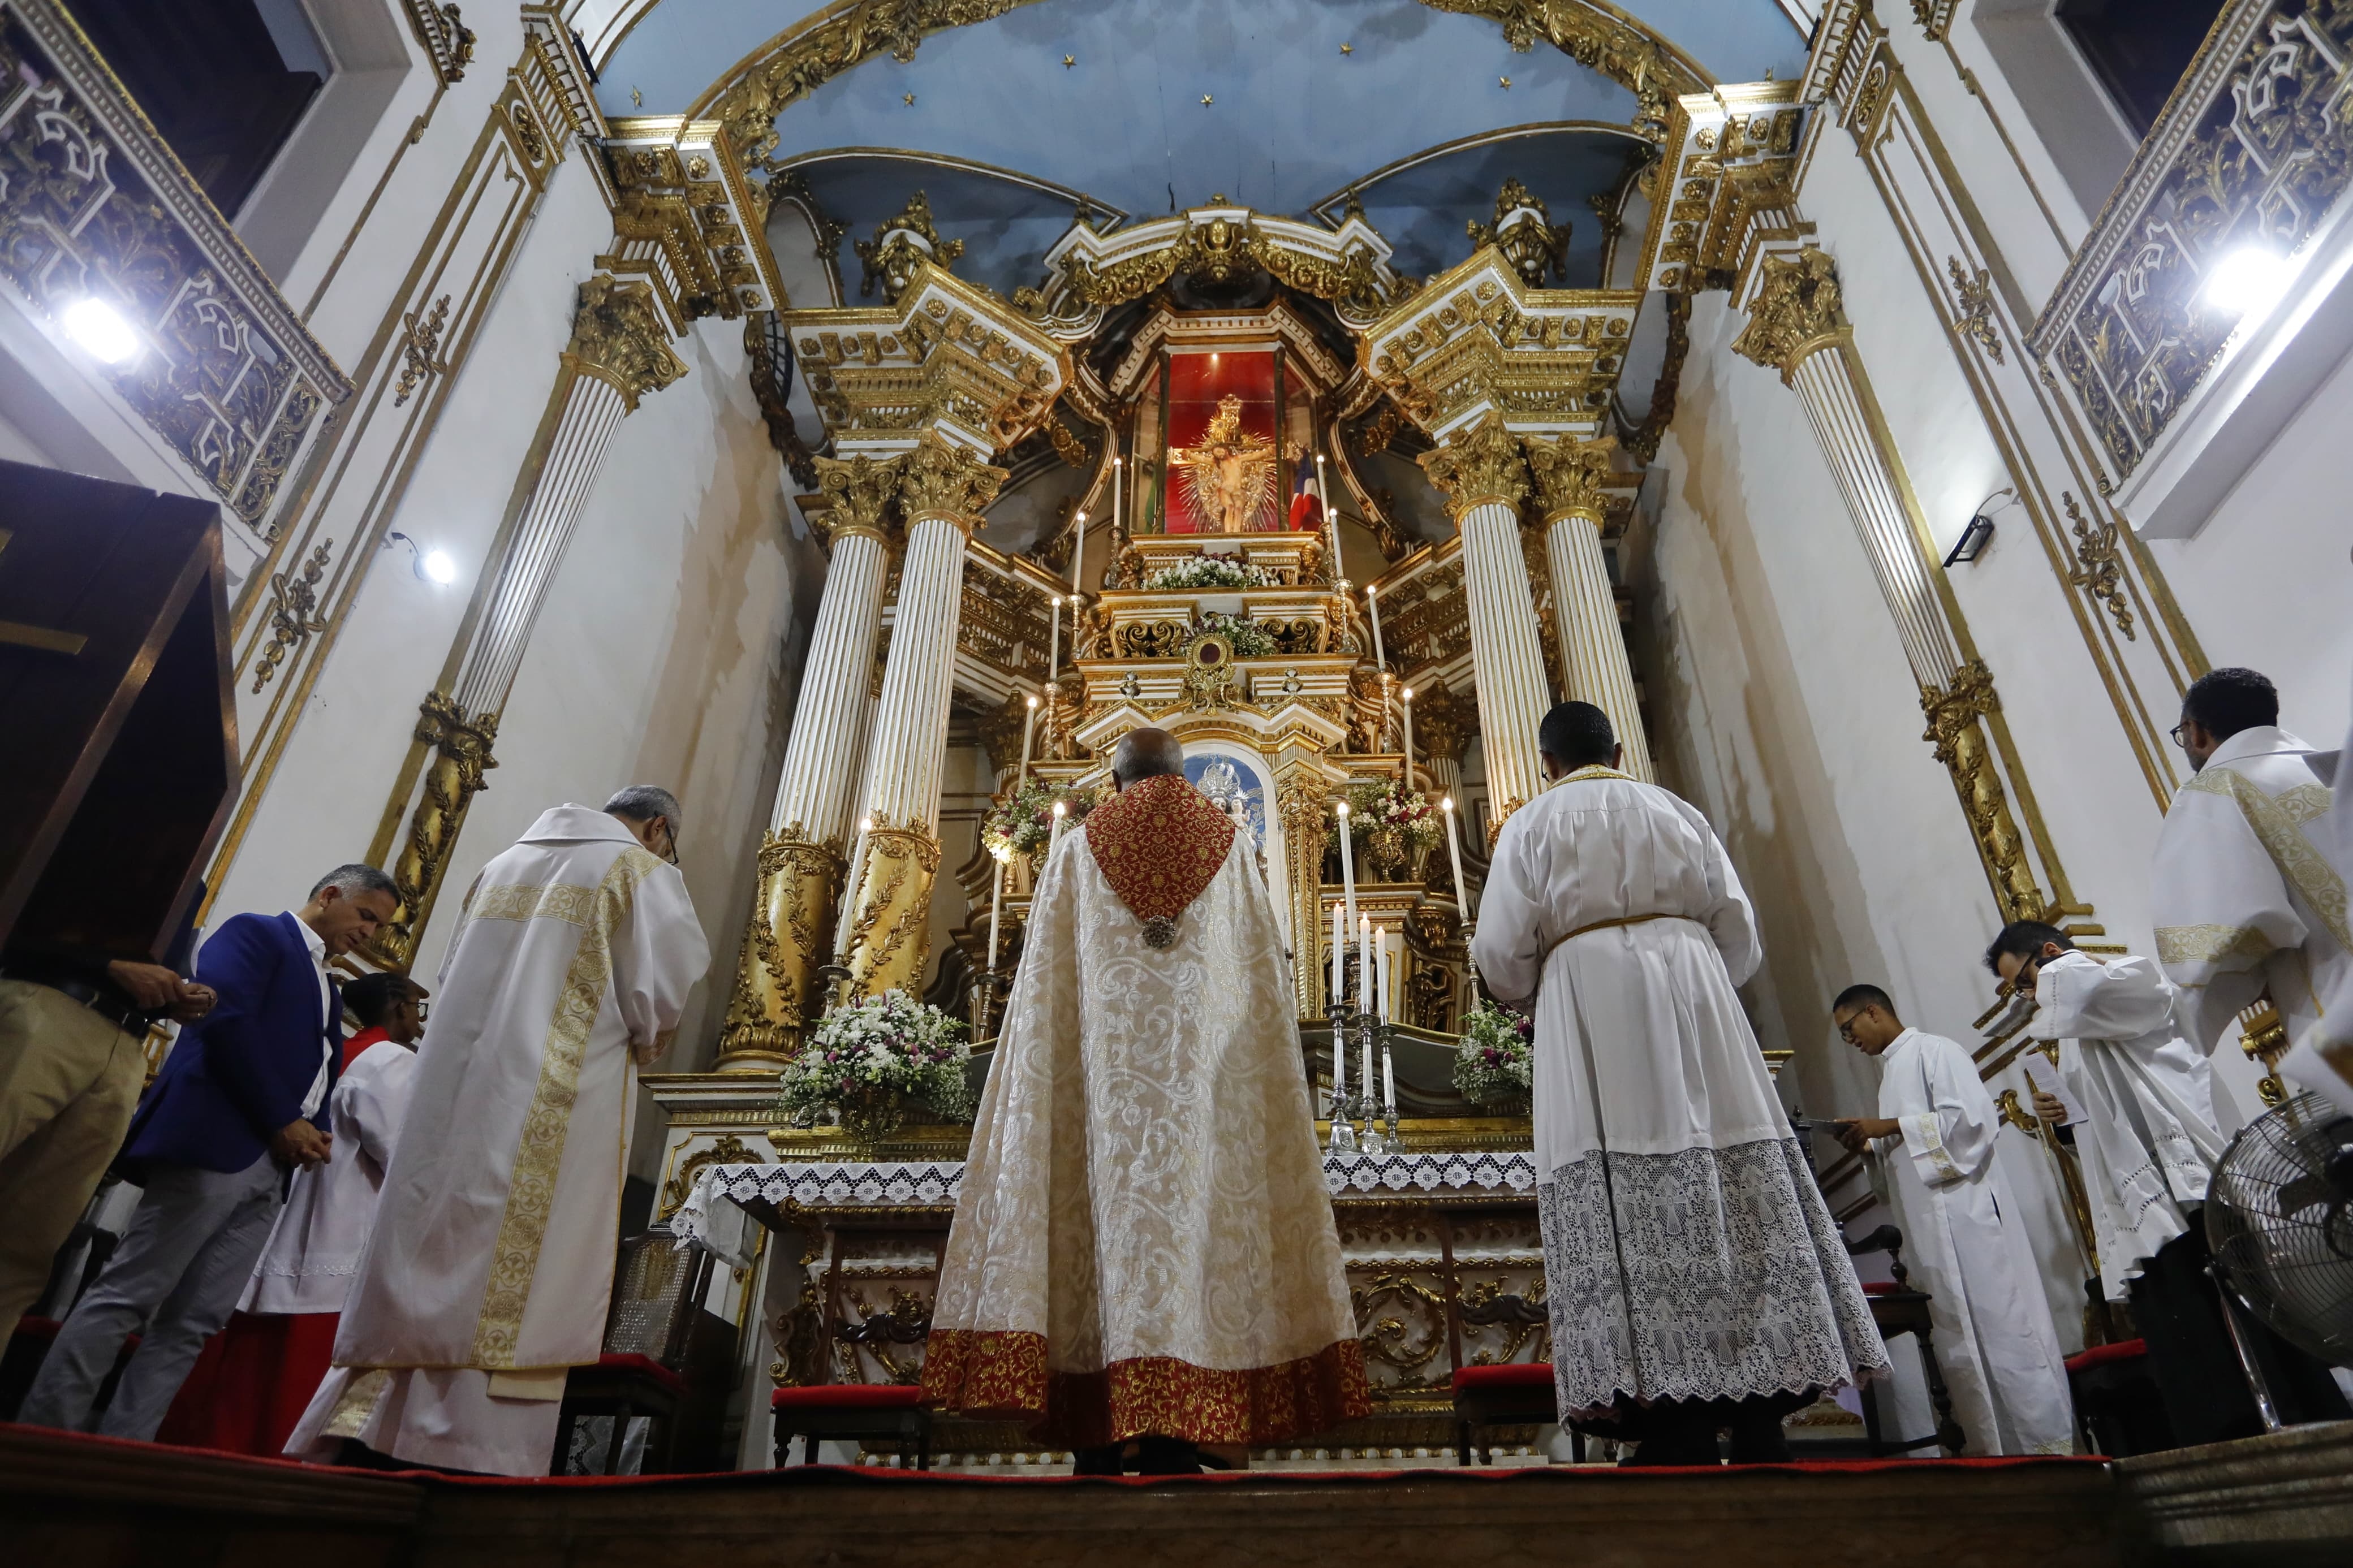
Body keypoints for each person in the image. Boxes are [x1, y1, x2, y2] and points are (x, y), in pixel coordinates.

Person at [924, 729, 1368, 1475]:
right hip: (1203, 1105)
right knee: (1201, 1234)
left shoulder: (1074, 852)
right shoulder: (1232, 850)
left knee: (1092, 1234)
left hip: (1100, 1109)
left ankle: (1098, 1434)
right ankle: (1179, 1432)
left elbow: (1042, 1001)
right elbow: (1260, 990)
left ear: (1116, 781)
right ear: (1181, 776)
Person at [1472, 702, 1887, 1466]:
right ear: (1617, 751)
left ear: (1547, 765)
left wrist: (1546, 990)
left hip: (1590, 1007)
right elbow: (1739, 932)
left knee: (1626, 1205)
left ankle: (1672, 1424)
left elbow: (1500, 955)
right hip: (1697, 997)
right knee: (1734, 1192)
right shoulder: (1676, 811)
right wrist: (1694, 977)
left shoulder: (1529, 825)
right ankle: (1761, 1416)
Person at [288, 789, 709, 1475]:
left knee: (432, 1237)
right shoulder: (640, 873)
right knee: (520, 1264)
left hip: (455, 1098)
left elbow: (450, 975)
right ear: (659, 828)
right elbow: (657, 1002)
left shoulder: (501, 865)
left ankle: (370, 1420)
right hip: (555, 1100)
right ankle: (468, 1448)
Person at [19, 865, 398, 1438]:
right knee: (130, 1293)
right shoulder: (258, 933)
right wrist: (283, 1119)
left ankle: (124, 1445)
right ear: (328, 895)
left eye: (379, 927)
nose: (369, 933)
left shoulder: (328, 984)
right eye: (366, 916)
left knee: (196, 1320)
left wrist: (316, 1129)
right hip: (220, 1140)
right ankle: (46, 1434)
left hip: (275, 1167)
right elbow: (228, 1022)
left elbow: (321, 1067)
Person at [1993, 921, 2350, 1442]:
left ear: (2051, 952)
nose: (2026, 997)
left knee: (2244, 1318)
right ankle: (2224, 1439)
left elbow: (2079, 990)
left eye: (2024, 981)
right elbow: (2100, 1121)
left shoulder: (2126, 978)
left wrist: (2048, 982)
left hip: (2188, 1184)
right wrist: (2063, 1117)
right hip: (2141, 1195)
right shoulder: (2071, 1027)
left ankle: (2291, 1420)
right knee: (2185, 1330)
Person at [155, 971, 428, 1455]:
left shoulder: (340, 1052)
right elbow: (400, 1152)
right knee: (296, 1377)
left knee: (246, 1373)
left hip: (291, 1215)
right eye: (416, 1006)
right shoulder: (390, 1060)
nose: (420, 1020)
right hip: (339, 1226)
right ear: (398, 1007)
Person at [1828, 984, 2074, 1455]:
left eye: (1848, 1028)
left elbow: (1972, 1123)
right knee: (1958, 1339)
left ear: (1873, 1011)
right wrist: (1871, 1146)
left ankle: (2045, 1447)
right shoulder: (1891, 1076)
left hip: (1971, 1218)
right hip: (1930, 1232)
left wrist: (1891, 1126)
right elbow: (1905, 1151)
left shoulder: (1936, 1051)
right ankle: (1988, 1451)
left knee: (2004, 1325)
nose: (1850, 1040)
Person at [0, 899, 215, 1332]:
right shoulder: (115, 846)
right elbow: (18, 901)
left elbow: (155, 965)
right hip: (51, 1003)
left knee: (30, 1243)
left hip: (126, 1044)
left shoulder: (190, 879)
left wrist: (174, 997)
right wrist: (108, 963)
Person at [2149, 668, 2348, 1085]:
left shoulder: (2217, 788)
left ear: (2194, 731)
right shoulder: (2335, 769)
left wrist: (2173, 1031)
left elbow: (2229, 935)